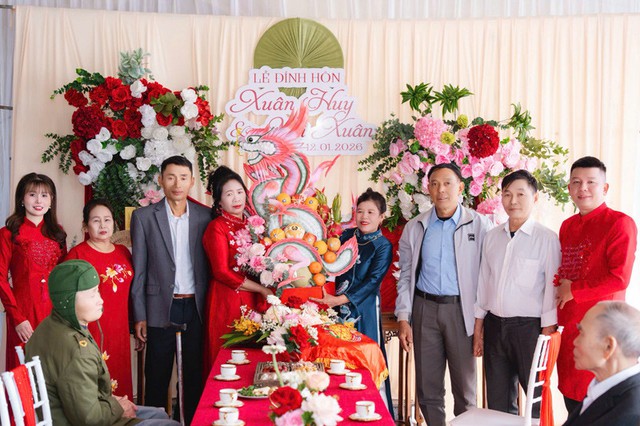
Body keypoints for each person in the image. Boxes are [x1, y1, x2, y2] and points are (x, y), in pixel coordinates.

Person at [395, 163, 493, 426]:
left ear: (460, 187)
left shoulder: (480, 225)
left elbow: (488, 276)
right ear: (428, 189)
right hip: (424, 309)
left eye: (448, 183)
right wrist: (403, 317)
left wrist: (481, 320)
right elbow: (406, 275)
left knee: (465, 391)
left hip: (462, 312)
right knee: (428, 389)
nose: (441, 190)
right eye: (435, 184)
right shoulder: (415, 226)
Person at [26, 260, 178, 425]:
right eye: (92, 294)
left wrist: (113, 402)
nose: (100, 300)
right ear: (68, 300)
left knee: (159, 414)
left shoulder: (49, 325)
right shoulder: (77, 350)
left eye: (97, 291)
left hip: (72, 412)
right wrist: (118, 407)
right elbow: (89, 418)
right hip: (84, 421)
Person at [129, 156, 211, 424]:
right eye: (171, 177)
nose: (177, 184)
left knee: (193, 376)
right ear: (161, 180)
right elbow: (139, 270)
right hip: (159, 306)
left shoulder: (205, 216)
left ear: (192, 181)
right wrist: (139, 315)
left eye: (183, 178)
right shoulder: (143, 217)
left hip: (195, 307)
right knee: (156, 375)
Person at [473, 170, 560, 415]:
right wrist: (478, 329)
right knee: (498, 401)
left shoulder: (547, 239)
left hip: (529, 330)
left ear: (535, 198)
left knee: (536, 400)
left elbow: (552, 289)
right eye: (507, 194)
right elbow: (484, 284)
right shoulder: (492, 237)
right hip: (494, 327)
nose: (513, 201)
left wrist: (546, 335)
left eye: (521, 194)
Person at [555, 156, 637, 413]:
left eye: (591, 182)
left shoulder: (620, 223)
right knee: (571, 401)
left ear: (605, 187)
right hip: (569, 328)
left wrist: (573, 290)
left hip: (601, 331)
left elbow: (619, 277)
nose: (583, 188)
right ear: (569, 188)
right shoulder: (567, 226)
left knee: (598, 406)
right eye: (576, 182)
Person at [310, 188, 394, 412]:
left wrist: (340, 300)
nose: (364, 216)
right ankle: (338, 410)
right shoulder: (345, 237)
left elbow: (373, 281)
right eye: (360, 211)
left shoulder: (383, 246)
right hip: (334, 306)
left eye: (371, 212)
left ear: (381, 217)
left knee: (364, 360)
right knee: (336, 358)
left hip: (363, 309)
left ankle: (371, 412)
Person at [203, 165, 270, 373]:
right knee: (227, 358)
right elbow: (221, 271)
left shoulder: (253, 225)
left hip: (253, 299)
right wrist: (261, 289)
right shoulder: (217, 227)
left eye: (240, 192)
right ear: (219, 201)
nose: (236, 198)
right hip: (227, 299)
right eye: (229, 194)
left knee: (252, 358)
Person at [65, 199, 134, 398]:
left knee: (120, 379)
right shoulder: (78, 254)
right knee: (96, 384)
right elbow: (66, 297)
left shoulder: (123, 252)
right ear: (85, 226)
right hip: (93, 330)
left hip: (120, 329)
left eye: (107, 219)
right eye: (96, 220)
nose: (102, 225)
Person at [0, 172, 66, 370]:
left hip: (54, 315)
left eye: (44, 195)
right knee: (24, 370)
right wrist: (17, 318)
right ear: (22, 199)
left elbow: (64, 277)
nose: (39, 201)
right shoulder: (8, 233)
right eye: (32, 194)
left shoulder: (58, 233)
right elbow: (1, 279)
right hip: (24, 315)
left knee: (53, 370)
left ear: (51, 200)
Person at [563, 301, 640, 426]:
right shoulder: (607, 387)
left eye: (582, 333)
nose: (575, 342)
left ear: (608, 346)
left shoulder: (630, 415)